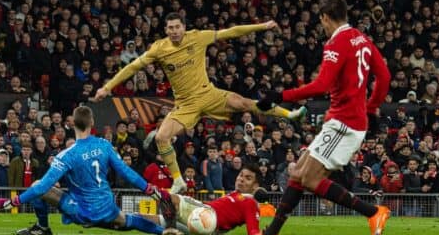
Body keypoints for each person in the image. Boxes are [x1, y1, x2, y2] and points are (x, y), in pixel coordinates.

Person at [91, 13, 306, 193]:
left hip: (208, 94)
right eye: (170, 28)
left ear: (184, 27)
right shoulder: (159, 48)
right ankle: (178, 180)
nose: (174, 31)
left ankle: (290, 115)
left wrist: (262, 26)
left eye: (177, 27)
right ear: (166, 30)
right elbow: (132, 68)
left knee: (244, 103)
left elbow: (231, 32)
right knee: (161, 137)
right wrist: (107, 87)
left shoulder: (198, 37)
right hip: (186, 104)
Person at [238, 0, 392, 235]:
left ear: (325, 18)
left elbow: (320, 85)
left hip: (344, 123)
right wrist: (371, 107)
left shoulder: (336, 43)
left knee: (309, 179)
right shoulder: (362, 39)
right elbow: (384, 76)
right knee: (298, 174)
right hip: (348, 120)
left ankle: (373, 212)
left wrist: (280, 96)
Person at [0, 106, 181, 235]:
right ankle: (163, 231)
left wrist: (13, 202)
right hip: (107, 208)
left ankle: (42, 227)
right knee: (127, 221)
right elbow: (127, 172)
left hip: (81, 212)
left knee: (38, 185)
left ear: (73, 123)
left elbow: (42, 187)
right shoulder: (105, 145)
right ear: (92, 122)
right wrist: (150, 190)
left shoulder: (66, 155)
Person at [144, 162, 266, 235]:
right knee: (153, 220)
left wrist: (267, 234)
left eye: (248, 178)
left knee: (171, 198)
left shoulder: (249, 201)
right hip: (201, 224)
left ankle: (143, 185)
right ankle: (126, 220)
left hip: (206, 215)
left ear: (255, 185)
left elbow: (253, 232)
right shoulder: (236, 195)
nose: (241, 179)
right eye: (241, 175)